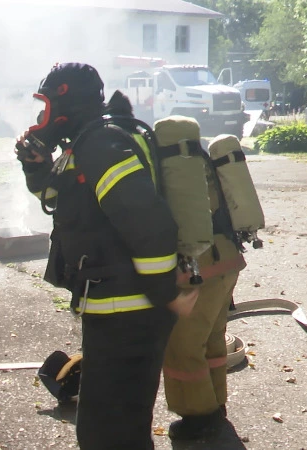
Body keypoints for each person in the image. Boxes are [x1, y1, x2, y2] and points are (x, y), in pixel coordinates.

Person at [16, 62, 199, 450]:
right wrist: (37, 170)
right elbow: (63, 203)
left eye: (45, 105)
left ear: (68, 104)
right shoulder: (86, 144)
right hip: (115, 311)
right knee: (110, 430)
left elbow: (149, 225)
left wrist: (164, 293)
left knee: (110, 435)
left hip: (129, 314)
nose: (40, 116)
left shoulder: (101, 144)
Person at [162, 173, 246, 440]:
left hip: (197, 271)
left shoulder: (165, 169)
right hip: (228, 260)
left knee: (182, 346)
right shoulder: (201, 163)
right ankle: (216, 404)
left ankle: (199, 418)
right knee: (212, 338)